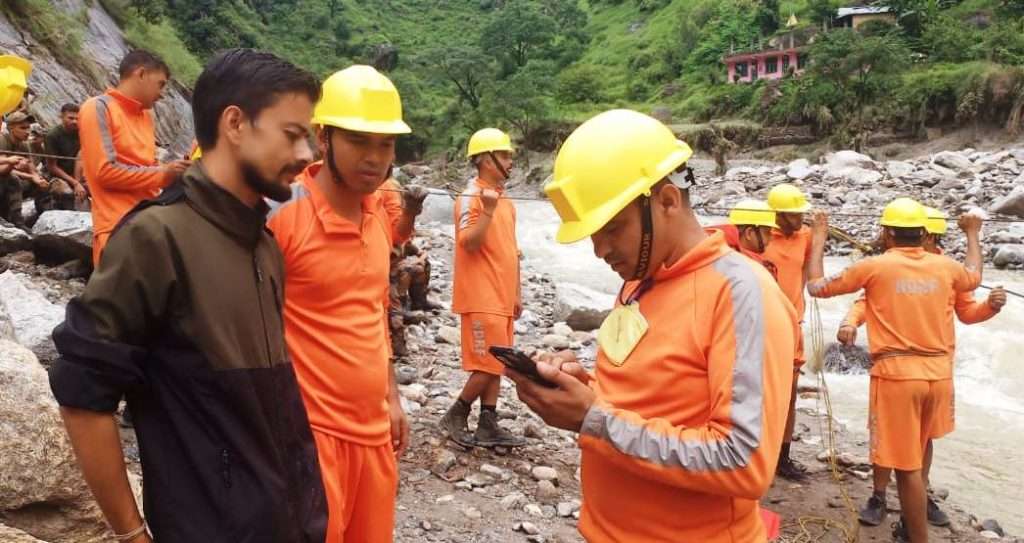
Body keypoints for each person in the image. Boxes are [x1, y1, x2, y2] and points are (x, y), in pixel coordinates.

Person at [48, 48, 327, 543]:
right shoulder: (156, 237)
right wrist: (132, 534)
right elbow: (81, 395)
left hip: (288, 523)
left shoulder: (263, 245)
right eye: (293, 135)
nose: (307, 156)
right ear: (236, 123)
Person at [507, 109, 798, 542]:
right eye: (592, 233)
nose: (599, 250)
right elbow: (645, 401)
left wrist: (592, 417)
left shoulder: (740, 294)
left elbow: (743, 461)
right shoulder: (639, 280)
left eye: (612, 229)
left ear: (666, 200)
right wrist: (581, 387)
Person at [267, 65, 417, 543]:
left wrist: (391, 396)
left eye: (385, 144)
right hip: (310, 435)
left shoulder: (377, 219)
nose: (374, 159)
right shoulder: (284, 215)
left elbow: (373, 313)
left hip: (373, 435)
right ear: (324, 137)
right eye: (359, 141)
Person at [807, 198, 984, 543]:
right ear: (923, 233)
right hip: (940, 377)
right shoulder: (946, 267)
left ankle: (916, 536)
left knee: (906, 468)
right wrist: (973, 235)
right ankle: (909, 518)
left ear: (887, 234)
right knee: (919, 451)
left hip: (898, 377)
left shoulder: (874, 266)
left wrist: (819, 235)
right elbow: (974, 277)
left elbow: (816, 287)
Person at [838, 206, 1005, 530]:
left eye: (939, 238)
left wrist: (991, 307)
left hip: (936, 371)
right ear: (923, 234)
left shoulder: (946, 268)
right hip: (898, 370)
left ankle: (916, 499)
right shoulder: (892, 265)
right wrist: (849, 322)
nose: (933, 242)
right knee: (888, 438)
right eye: (934, 236)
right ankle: (880, 495)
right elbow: (865, 300)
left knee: (924, 438)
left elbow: (968, 311)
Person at [440, 127, 526, 449]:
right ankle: (455, 414)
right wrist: (487, 210)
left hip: (502, 297)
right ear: (484, 160)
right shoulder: (470, 197)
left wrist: (517, 292)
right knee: (488, 363)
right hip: (480, 295)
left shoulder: (507, 202)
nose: (510, 161)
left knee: (499, 363)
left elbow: (513, 250)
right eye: (504, 155)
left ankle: (487, 422)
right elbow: (468, 243)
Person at [78, 49, 191, 264]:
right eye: (161, 83)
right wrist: (163, 174)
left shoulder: (146, 116)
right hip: (117, 227)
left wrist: (172, 174)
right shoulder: (98, 108)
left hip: (150, 222)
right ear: (141, 74)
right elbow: (104, 172)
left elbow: (149, 166)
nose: (162, 93)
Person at [764, 182, 813, 480]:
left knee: (790, 395)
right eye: (795, 214)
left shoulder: (805, 235)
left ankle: (783, 456)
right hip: (765, 326)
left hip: (792, 325)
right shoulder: (759, 237)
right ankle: (759, 454)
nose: (800, 219)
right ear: (779, 215)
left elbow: (809, 267)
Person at [706, 199, 779, 278]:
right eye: (767, 233)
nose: (771, 238)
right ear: (749, 233)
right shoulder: (746, 269)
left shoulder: (718, 257)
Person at [0, 110, 50, 225]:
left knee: (42, 181)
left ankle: (43, 219)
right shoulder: (2, 139)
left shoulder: (24, 144)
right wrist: (11, 162)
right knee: (12, 179)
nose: (27, 132)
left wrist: (37, 178)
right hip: (5, 180)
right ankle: (17, 221)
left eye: (28, 128)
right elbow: (3, 170)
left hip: (11, 179)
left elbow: (31, 167)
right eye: (22, 128)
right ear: (11, 128)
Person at [45, 103, 87, 209]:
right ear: (62, 117)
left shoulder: (82, 132)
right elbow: (52, 166)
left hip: (79, 174)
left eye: (77, 118)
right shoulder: (52, 135)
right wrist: (75, 183)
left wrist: (79, 180)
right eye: (70, 118)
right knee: (67, 193)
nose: (74, 121)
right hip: (59, 176)